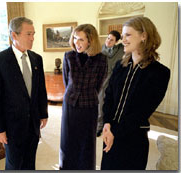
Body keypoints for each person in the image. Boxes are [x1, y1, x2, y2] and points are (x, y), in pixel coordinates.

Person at [101, 16, 170, 170]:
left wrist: (115, 132)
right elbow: (109, 96)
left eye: (128, 35)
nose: (123, 39)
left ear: (143, 36)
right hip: (110, 133)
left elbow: (141, 111)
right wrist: (106, 123)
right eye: (122, 35)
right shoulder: (120, 66)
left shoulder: (160, 73)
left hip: (133, 138)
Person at [0, 16, 48, 170]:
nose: (33, 38)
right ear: (14, 35)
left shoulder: (36, 59)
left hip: (33, 124)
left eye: (33, 34)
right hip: (11, 126)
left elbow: (40, 90)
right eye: (28, 34)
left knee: (29, 162)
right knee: (14, 164)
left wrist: (43, 113)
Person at [59, 24, 108, 170]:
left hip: (89, 106)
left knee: (87, 142)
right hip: (70, 104)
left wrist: (87, 94)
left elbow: (99, 84)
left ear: (90, 41)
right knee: (68, 141)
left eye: (81, 39)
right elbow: (66, 82)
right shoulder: (68, 56)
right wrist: (74, 94)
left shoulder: (101, 59)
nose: (76, 42)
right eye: (74, 38)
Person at [97, 30, 125, 136]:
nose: (108, 41)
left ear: (117, 41)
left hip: (115, 79)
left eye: (112, 39)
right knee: (100, 102)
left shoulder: (121, 49)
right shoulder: (100, 49)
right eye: (108, 38)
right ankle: (99, 126)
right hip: (102, 78)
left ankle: (108, 124)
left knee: (112, 103)